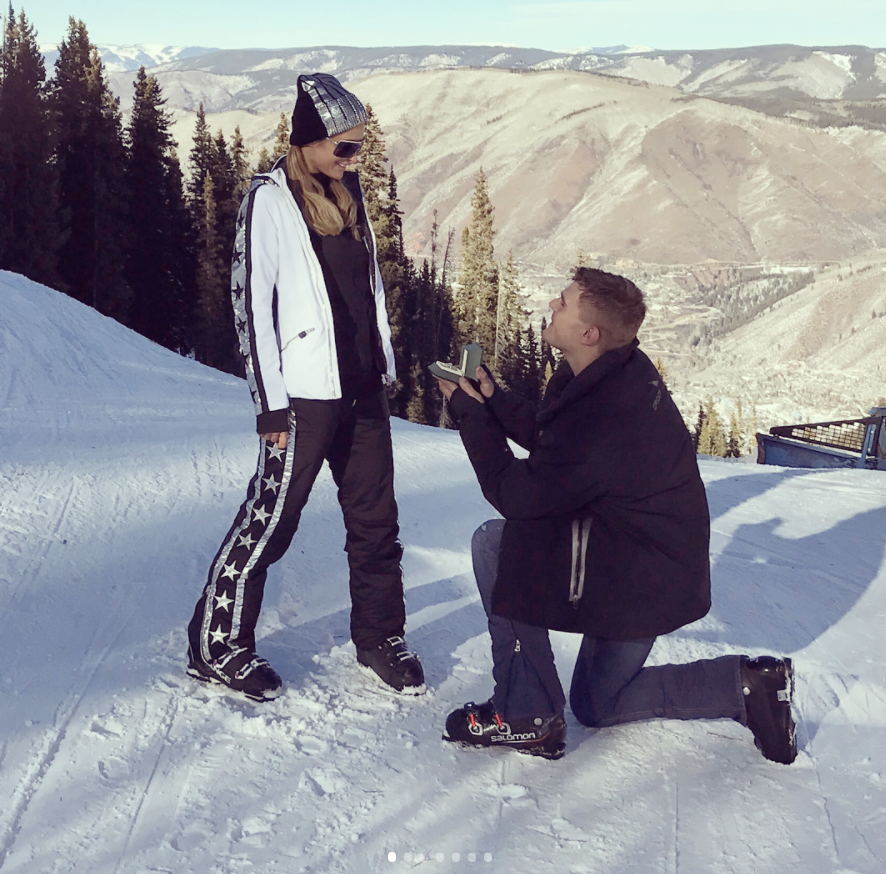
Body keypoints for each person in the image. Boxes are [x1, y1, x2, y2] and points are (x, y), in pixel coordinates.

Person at [436, 267, 797, 763]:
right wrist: (495, 400)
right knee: (596, 703)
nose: (552, 304)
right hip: (647, 569)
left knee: (497, 543)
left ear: (589, 333)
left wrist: (470, 415)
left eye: (563, 303)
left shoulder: (606, 416)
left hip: (632, 577)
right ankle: (747, 685)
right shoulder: (612, 373)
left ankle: (526, 714)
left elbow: (518, 495)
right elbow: (559, 443)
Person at [187, 73, 424, 701]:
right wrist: (270, 401)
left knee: (376, 521)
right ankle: (217, 644)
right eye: (344, 147)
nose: (355, 158)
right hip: (303, 395)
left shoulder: (352, 197)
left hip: (361, 387)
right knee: (271, 521)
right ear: (309, 143)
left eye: (361, 146)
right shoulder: (269, 201)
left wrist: (385, 363)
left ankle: (380, 637)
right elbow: (250, 304)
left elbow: (364, 290)